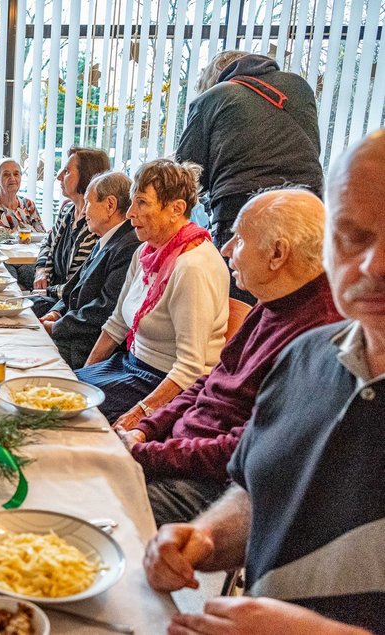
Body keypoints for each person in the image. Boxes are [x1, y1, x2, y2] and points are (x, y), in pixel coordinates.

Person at [144, 130, 385, 635]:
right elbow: (262, 490)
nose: (373, 264)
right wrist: (206, 536)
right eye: (354, 236)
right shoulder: (311, 355)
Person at [118, 189, 340, 527]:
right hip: (179, 451)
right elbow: (209, 382)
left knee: (92, 506)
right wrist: (146, 430)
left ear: (277, 254)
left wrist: (145, 453)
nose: (225, 249)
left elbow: (245, 449)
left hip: (215, 485)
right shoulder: (273, 298)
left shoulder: (319, 332)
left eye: (239, 239)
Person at [75, 159, 229, 426]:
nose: (130, 212)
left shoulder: (192, 266)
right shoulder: (145, 251)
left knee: (70, 410)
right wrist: (87, 374)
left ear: (176, 209)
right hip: (130, 365)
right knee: (65, 388)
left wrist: (138, 415)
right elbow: (117, 325)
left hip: (163, 383)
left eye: (142, 203)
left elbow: (189, 370)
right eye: (132, 201)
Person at [176, 51, 323, 302]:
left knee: (238, 299)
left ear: (214, 77)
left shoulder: (212, 98)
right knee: (299, 301)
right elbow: (313, 148)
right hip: (306, 209)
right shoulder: (300, 88)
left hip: (240, 209)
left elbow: (187, 175)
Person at [40, 172, 141, 368]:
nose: (84, 211)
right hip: (74, 333)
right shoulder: (107, 238)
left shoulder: (128, 247)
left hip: (85, 346)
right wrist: (55, 313)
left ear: (110, 205)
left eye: (88, 203)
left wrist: (57, 327)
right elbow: (73, 288)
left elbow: (104, 310)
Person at [33, 147, 110, 313]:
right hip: (52, 294)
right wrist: (41, 271)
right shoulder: (67, 210)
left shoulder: (97, 223)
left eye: (67, 171)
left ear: (87, 176)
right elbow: (48, 241)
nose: (59, 176)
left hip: (69, 303)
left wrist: (47, 291)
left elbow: (81, 286)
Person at [0, 158, 44, 233]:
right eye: (6, 174)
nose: (12, 178)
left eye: (16, 174)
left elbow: (42, 236)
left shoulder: (29, 205)